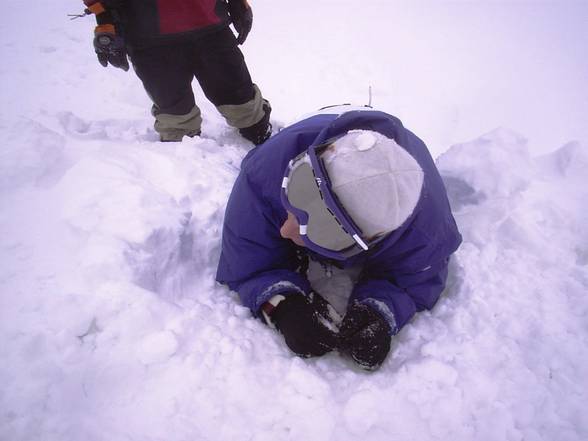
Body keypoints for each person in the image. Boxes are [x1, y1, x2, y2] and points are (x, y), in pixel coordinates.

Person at [216, 106, 462, 370]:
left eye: (314, 230)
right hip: (328, 121)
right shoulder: (267, 170)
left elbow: (414, 280)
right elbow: (247, 258)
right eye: (295, 202)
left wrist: (378, 312)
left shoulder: (425, 234)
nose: (284, 231)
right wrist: (282, 304)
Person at [79, 0, 272, 144]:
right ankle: (182, 172)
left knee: (241, 100)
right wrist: (105, 20)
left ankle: (257, 129)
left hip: (209, 23)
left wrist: (239, 2)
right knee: (176, 117)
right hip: (148, 35)